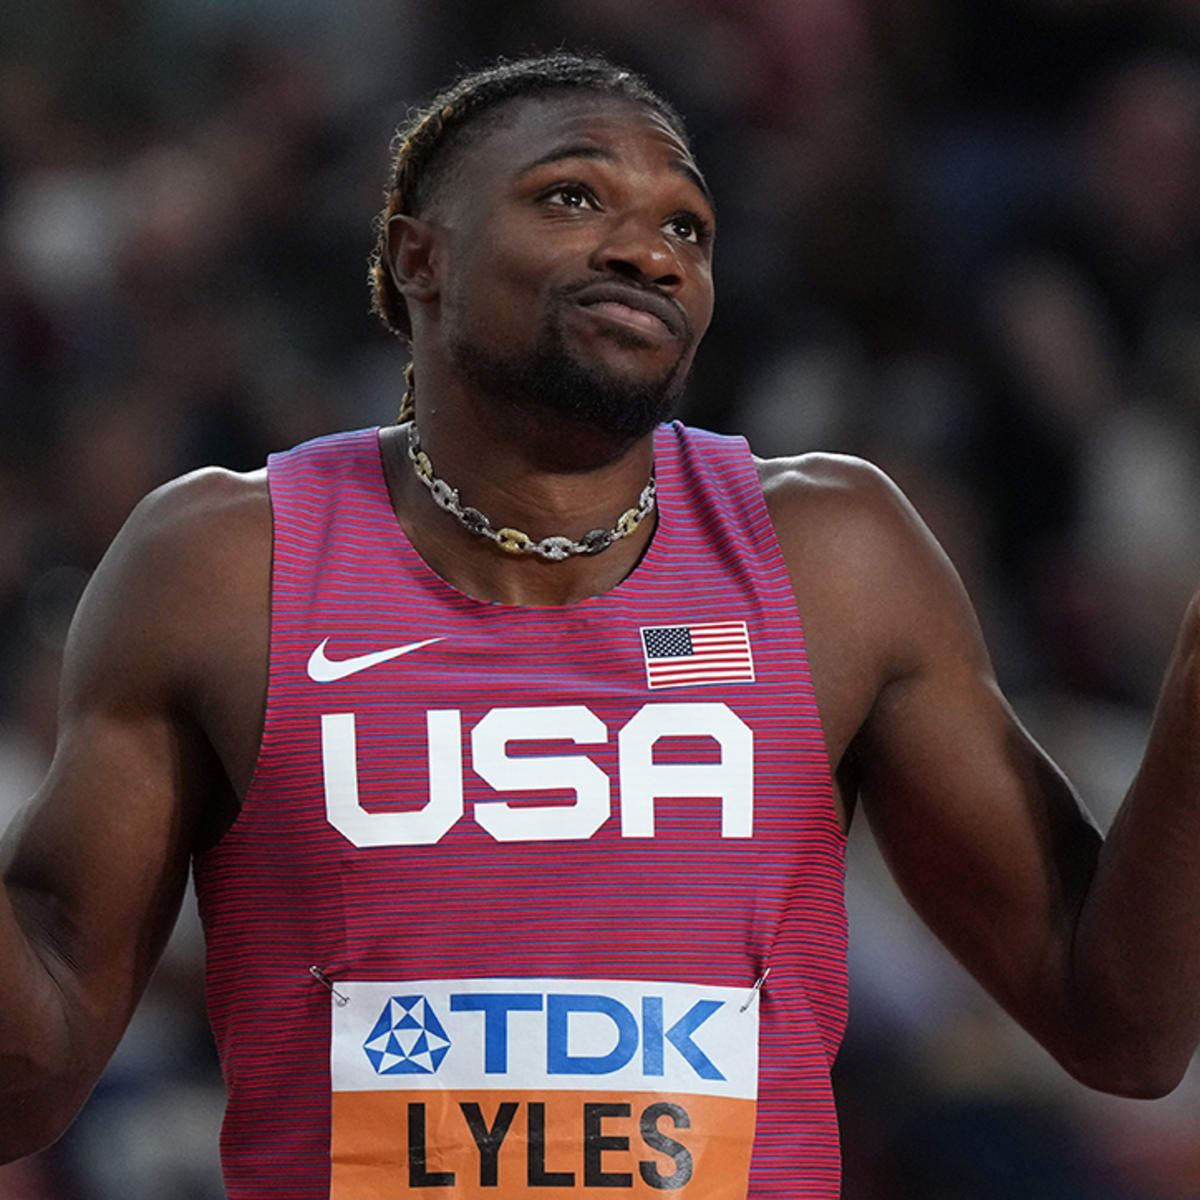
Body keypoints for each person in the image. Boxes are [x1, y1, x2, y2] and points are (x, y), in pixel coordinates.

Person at [2, 50, 1198, 1199]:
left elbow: (1124, 1030)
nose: (650, 249)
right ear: (419, 256)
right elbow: (28, 1076)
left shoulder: (833, 558)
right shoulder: (220, 565)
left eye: (688, 227)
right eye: (571, 195)